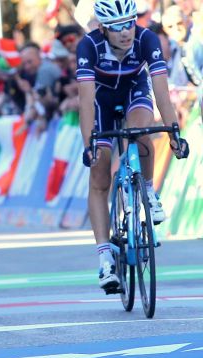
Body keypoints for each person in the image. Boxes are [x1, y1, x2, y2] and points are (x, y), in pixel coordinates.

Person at [77, 0, 189, 291]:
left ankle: (148, 191)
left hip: (134, 91)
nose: (125, 32)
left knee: (142, 133)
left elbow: (162, 92)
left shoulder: (146, 38)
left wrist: (174, 132)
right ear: (103, 28)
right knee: (99, 170)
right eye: (116, 27)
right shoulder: (88, 46)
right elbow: (86, 100)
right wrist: (88, 142)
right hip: (101, 100)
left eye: (129, 22)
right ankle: (105, 257)